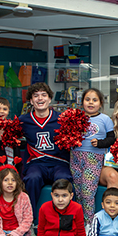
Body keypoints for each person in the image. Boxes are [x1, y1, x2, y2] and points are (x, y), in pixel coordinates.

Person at [19, 83, 72, 227]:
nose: (40, 99)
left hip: (59, 163)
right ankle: (30, 222)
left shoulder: (62, 119)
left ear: (49, 99)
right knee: (32, 178)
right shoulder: (23, 121)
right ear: (31, 101)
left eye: (43, 95)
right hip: (36, 163)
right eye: (35, 96)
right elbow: (11, 138)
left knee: (65, 179)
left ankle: (64, 222)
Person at [15, 179, 87, 236]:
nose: (60, 200)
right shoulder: (44, 207)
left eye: (64, 196)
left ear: (71, 196)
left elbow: (80, 230)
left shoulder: (77, 208)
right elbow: (41, 228)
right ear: (52, 195)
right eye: (56, 195)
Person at [70, 88, 115, 227]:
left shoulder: (105, 119)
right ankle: (79, 223)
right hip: (75, 157)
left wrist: (100, 143)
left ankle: (90, 224)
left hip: (94, 158)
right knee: (77, 191)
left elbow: (112, 138)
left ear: (100, 103)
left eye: (94, 100)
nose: (91, 102)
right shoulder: (76, 117)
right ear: (82, 102)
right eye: (87, 99)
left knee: (87, 192)